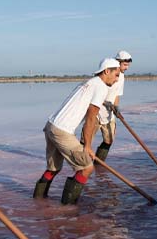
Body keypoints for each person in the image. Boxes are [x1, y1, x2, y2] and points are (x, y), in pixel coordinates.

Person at [33, 58, 120, 205]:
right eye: (116, 75)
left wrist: (106, 103)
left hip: (51, 126)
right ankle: (69, 208)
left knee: (53, 168)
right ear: (107, 71)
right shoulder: (101, 87)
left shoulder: (89, 83)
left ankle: (37, 201)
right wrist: (87, 146)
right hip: (62, 131)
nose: (117, 79)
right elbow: (91, 119)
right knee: (87, 168)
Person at [86, 50, 132, 161]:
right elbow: (95, 94)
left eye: (128, 65)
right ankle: (82, 165)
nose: (127, 68)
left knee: (109, 140)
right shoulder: (107, 74)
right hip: (96, 112)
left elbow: (117, 95)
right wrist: (105, 103)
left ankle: (99, 163)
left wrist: (116, 108)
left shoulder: (122, 77)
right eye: (125, 65)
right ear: (117, 62)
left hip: (109, 113)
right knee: (87, 141)